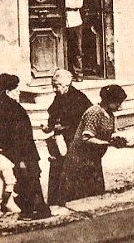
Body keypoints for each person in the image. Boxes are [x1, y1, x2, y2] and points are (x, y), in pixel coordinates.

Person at [0, 74, 50, 220]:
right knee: (29, 181)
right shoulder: (11, 108)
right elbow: (16, 136)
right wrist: (22, 158)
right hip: (22, 153)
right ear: (8, 91)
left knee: (25, 182)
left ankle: (32, 210)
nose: (19, 92)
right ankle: (32, 211)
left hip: (16, 152)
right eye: (16, 89)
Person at [59, 84, 128, 203]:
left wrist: (118, 140)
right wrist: (108, 143)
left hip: (93, 161)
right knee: (82, 199)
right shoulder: (94, 113)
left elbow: (110, 134)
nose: (119, 106)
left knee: (96, 197)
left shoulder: (110, 115)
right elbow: (87, 138)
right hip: (79, 162)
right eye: (117, 102)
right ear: (108, 101)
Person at [43, 70, 91, 206]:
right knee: (57, 170)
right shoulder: (59, 96)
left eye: (57, 85)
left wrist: (63, 128)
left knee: (71, 173)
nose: (54, 89)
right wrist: (50, 126)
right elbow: (53, 113)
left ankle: (72, 202)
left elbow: (83, 123)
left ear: (67, 85)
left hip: (75, 142)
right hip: (61, 142)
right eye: (53, 85)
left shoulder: (79, 98)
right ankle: (56, 202)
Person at [63, 0, 85, 82]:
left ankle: (79, 74)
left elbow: (79, 4)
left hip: (75, 22)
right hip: (63, 23)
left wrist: (67, 5)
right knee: (66, 49)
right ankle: (67, 74)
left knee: (77, 49)